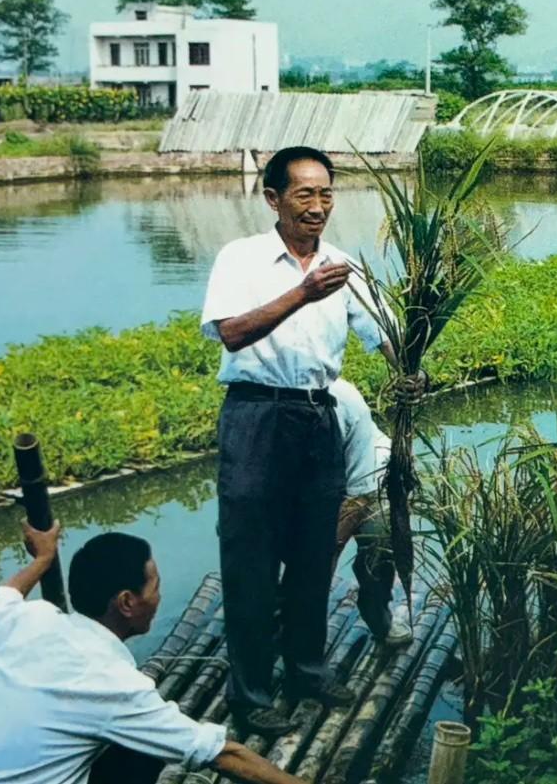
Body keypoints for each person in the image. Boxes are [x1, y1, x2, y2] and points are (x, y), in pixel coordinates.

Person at [200, 146, 423, 737]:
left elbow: (382, 337)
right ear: (272, 198)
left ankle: (307, 671)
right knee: (248, 561)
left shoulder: (341, 265)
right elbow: (230, 333)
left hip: (317, 419)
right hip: (256, 418)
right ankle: (250, 694)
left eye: (326, 194)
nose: (318, 206)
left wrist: (410, 369)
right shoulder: (241, 259)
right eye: (304, 194)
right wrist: (302, 292)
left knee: (309, 557)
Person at [0, 522, 305, 784]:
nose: (159, 597)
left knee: (132, 751)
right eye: (155, 586)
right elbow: (222, 754)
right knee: (143, 752)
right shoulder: (111, 683)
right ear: (127, 602)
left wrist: (42, 559)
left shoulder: (32, 620)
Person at [329, 378, 412, 648]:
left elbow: (357, 498)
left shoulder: (338, 400)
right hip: (324, 483)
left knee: (378, 556)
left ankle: (380, 621)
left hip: (370, 479)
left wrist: (331, 546)